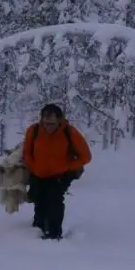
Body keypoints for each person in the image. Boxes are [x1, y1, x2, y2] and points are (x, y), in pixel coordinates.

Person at [22, 103, 92, 240]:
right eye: (46, 123)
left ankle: (54, 234)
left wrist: (68, 166)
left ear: (60, 121)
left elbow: (86, 156)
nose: (48, 127)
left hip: (59, 176)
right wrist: (34, 167)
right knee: (39, 200)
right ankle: (38, 228)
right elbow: (27, 153)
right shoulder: (34, 130)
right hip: (38, 174)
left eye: (52, 124)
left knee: (54, 202)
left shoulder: (69, 132)